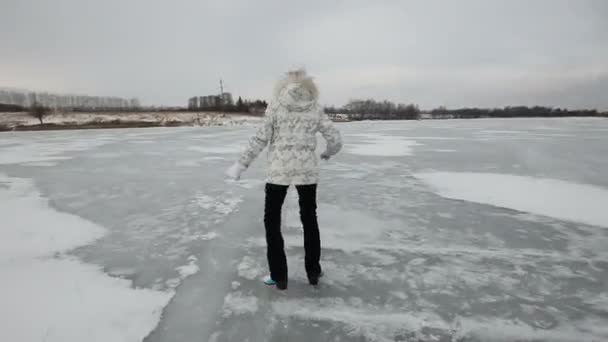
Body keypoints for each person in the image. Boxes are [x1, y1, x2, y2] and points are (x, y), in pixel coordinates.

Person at [225, 69, 342, 290]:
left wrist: (241, 164)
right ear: (309, 87)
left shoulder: (276, 105)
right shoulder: (315, 108)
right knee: (309, 218)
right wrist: (327, 153)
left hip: (278, 171)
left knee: (272, 220)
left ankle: (279, 275)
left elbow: (260, 138)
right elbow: (335, 139)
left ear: (284, 85)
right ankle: (313, 272)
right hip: (307, 172)